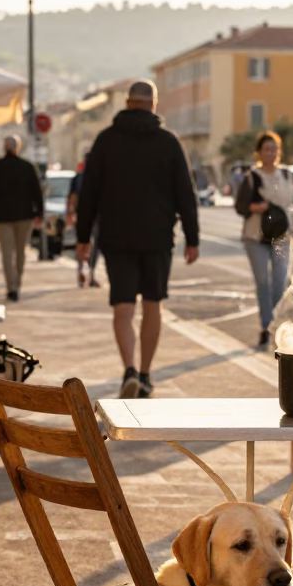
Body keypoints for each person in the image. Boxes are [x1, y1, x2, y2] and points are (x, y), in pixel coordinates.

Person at [75, 79, 199, 399]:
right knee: (153, 303)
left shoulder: (106, 141)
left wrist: (83, 237)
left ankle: (129, 368)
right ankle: (145, 374)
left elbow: (88, 193)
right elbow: (185, 193)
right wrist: (192, 237)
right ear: (153, 104)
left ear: (128, 103)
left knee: (123, 306)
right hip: (157, 236)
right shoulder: (168, 142)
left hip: (116, 236)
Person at [235, 131, 293, 346]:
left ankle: (277, 324)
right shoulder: (252, 177)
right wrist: (256, 207)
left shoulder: (287, 175)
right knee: (263, 283)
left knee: (280, 283)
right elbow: (240, 206)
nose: (271, 153)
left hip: (282, 235)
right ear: (259, 153)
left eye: (275, 149)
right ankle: (266, 326)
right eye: (267, 149)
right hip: (256, 236)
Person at [0, 134, 43, 301]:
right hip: (24, 216)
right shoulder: (27, 167)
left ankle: (11, 286)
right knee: (21, 251)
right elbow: (37, 192)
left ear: (4, 147)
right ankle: (18, 283)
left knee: (7, 253)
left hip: (2, 217)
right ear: (18, 148)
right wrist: (39, 214)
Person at [67, 153, 99, 287]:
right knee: (95, 246)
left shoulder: (78, 177)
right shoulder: (99, 176)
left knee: (82, 243)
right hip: (97, 215)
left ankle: (82, 270)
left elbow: (73, 197)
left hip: (82, 215)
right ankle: (91, 274)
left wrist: (70, 212)